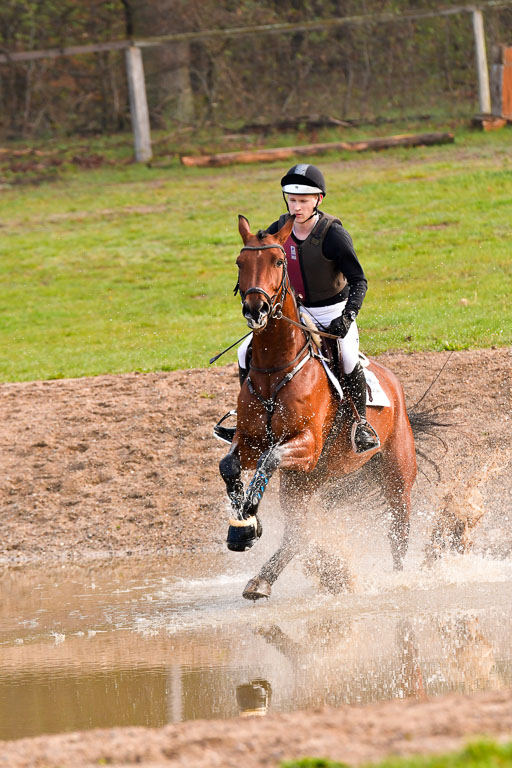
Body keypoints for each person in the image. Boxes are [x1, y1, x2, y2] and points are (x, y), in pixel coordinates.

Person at [217, 163, 379, 453]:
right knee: (245, 352)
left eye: (304, 201)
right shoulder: (279, 229)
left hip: (333, 312)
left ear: (318, 200)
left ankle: (361, 424)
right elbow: (257, 253)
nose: (297, 206)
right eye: (292, 200)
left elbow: (359, 280)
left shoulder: (333, 235)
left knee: (348, 358)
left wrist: (348, 316)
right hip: (297, 312)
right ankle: (247, 420)